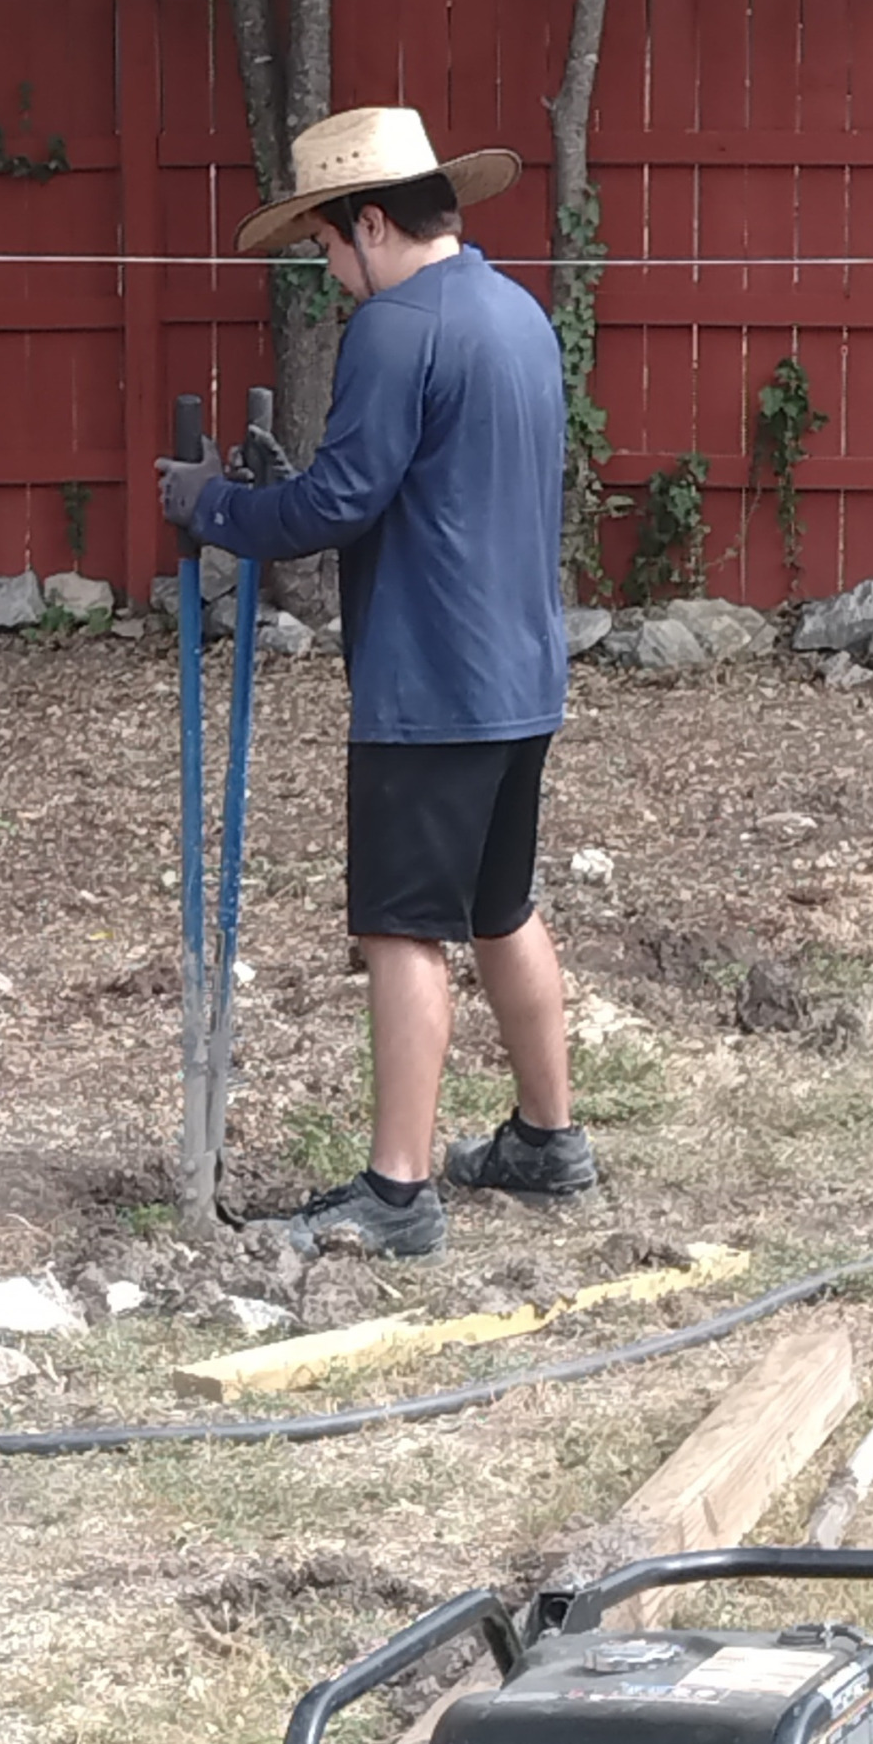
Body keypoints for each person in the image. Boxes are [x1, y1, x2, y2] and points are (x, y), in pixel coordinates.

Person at [156, 105, 595, 1257]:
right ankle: (548, 1142)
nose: (331, 273)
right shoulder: (516, 312)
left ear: (369, 224)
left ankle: (397, 1194)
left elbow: (337, 506)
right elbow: (422, 481)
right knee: (501, 906)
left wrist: (214, 506)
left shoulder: (396, 327)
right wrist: (283, 489)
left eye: (325, 246)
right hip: (519, 672)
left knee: (402, 930)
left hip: (430, 683)